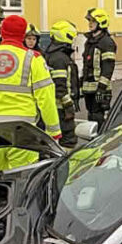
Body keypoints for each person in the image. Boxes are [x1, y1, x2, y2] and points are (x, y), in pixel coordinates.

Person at [0, 14, 62, 175]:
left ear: (2, 32)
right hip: (23, 131)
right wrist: (53, 132)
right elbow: (46, 98)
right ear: (23, 35)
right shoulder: (33, 59)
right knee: (22, 178)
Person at [45, 19, 81, 148]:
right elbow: (59, 87)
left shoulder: (54, 55)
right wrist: (68, 105)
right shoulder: (60, 58)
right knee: (68, 139)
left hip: (55, 108)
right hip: (61, 109)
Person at [80, 7, 117, 128]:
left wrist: (101, 89)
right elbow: (87, 66)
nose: (90, 24)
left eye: (93, 21)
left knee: (99, 118)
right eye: (89, 21)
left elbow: (108, 68)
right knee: (91, 117)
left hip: (101, 90)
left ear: (101, 22)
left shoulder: (106, 42)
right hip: (89, 90)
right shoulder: (89, 41)